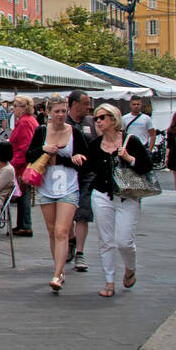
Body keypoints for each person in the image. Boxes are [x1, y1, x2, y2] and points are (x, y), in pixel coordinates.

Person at [88, 103, 153, 298]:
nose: (98, 121)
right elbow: (89, 169)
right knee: (105, 241)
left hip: (127, 196)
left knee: (123, 241)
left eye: (102, 117)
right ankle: (109, 281)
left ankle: (130, 267)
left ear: (114, 119)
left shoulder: (130, 141)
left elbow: (147, 166)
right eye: (96, 118)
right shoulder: (94, 145)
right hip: (101, 195)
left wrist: (130, 158)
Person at [27, 94, 89, 292]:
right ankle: (59, 269)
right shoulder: (41, 131)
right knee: (52, 230)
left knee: (62, 231)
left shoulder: (75, 133)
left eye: (63, 111)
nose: (61, 115)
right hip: (46, 186)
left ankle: (57, 274)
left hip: (68, 186)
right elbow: (29, 155)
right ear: (48, 113)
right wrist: (43, 149)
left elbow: (85, 161)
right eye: (57, 111)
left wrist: (75, 157)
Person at [63, 90, 98, 272]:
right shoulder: (63, 123)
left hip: (87, 175)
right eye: (85, 103)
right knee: (67, 214)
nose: (88, 107)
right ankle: (70, 240)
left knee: (83, 213)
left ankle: (80, 253)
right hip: (67, 175)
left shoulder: (91, 122)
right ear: (74, 104)